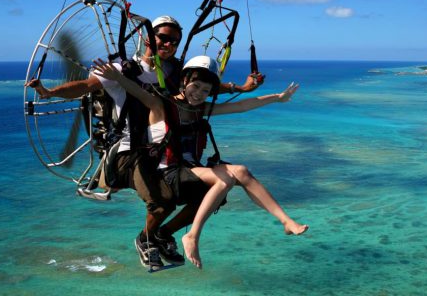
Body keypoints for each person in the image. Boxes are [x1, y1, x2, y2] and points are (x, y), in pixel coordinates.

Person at [27, 16, 263, 271]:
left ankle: (163, 235)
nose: (168, 44)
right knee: (162, 203)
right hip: (131, 150)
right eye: (162, 37)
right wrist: (50, 92)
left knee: (211, 194)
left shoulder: (173, 71)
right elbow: (84, 86)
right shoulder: (121, 70)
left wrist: (241, 87)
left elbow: (200, 86)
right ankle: (146, 240)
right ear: (146, 37)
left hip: (164, 151)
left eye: (174, 40)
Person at [93, 55, 308, 270]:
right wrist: (116, 77)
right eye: (195, 87)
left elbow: (243, 105)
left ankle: (286, 221)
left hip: (190, 171)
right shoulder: (162, 105)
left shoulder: (200, 110)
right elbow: (139, 92)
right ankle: (192, 237)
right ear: (184, 82)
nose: (198, 94)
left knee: (241, 172)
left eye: (205, 91)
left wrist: (277, 98)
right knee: (224, 180)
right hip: (166, 173)